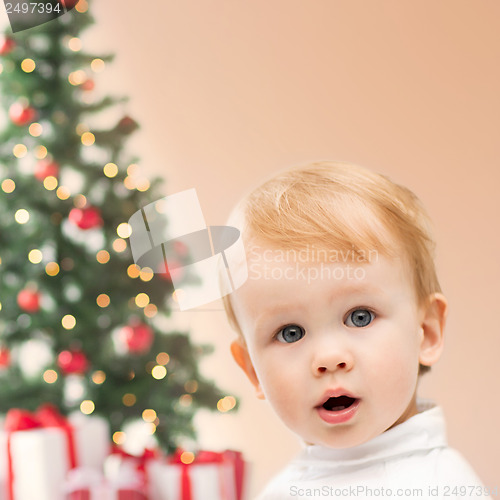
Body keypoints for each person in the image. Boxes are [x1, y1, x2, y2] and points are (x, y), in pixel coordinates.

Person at [222, 162, 485, 499]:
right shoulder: (281, 491)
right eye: (291, 332)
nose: (329, 358)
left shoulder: (443, 486)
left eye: (359, 316)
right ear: (251, 370)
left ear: (426, 331)